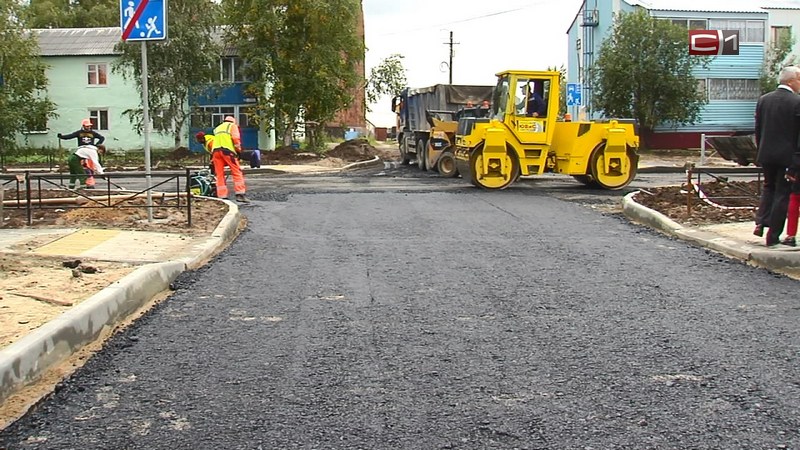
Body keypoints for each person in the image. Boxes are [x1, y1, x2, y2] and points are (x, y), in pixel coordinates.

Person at [754, 65, 800, 246]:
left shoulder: (764, 100)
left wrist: (760, 150)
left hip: (766, 154)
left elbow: (758, 129)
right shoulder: (797, 102)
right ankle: (773, 235)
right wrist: (796, 162)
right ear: (791, 81)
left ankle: (760, 222)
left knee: (768, 188)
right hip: (787, 158)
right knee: (783, 194)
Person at [211, 116, 250, 203]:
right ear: (233, 122)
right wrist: (238, 151)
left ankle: (222, 196)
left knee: (219, 174)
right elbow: (235, 139)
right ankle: (240, 194)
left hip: (216, 152)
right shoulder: (232, 126)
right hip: (227, 152)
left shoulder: (217, 128)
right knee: (237, 172)